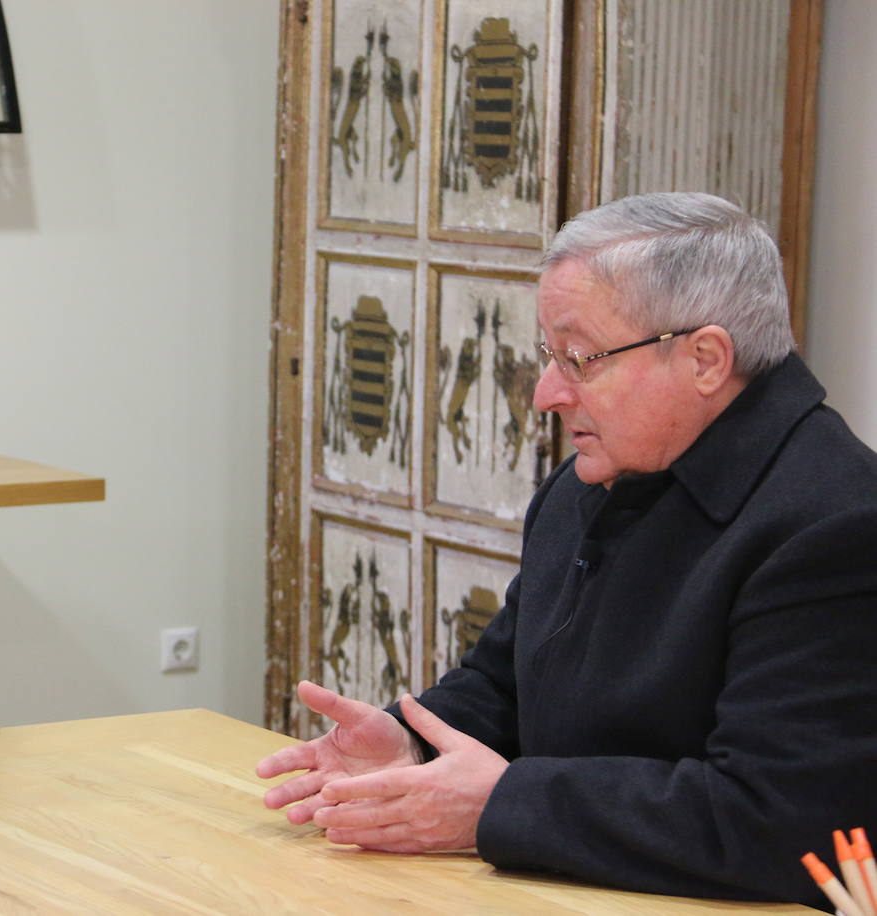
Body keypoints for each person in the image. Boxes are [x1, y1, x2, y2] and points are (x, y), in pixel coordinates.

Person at [257, 192, 877, 908]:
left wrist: (499, 805)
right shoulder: (596, 480)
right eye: (549, 355)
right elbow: (505, 684)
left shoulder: (836, 525)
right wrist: (411, 746)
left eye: (581, 358)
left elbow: (785, 823)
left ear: (707, 359)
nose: (547, 392)